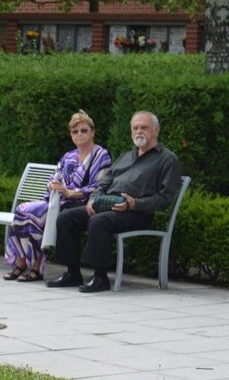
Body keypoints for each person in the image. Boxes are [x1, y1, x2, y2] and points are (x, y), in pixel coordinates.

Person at [48, 110, 181, 293]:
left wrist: (134, 204)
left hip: (137, 213)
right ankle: (72, 273)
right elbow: (104, 182)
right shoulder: (126, 156)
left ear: (156, 130)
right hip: (108, 205)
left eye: (144, 128)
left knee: (98, 221)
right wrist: (93, 199)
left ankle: (100, 277)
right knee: (66, 217)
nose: (139, 132)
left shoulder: (167, 159)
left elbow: (165, 198)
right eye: (135, 128)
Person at [4, 110, 112, 283]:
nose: (79, 134)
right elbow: (56, 177)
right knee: (23, 210)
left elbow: (99, 187)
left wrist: (70, 192)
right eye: (75, 131)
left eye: (84, 130)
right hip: (59, 202)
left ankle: (36, 267)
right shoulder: (68, 156)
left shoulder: (101, 155)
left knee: (37, 215)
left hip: (82, 204)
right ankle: (21, 262)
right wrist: (53, 185)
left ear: (93, 132)